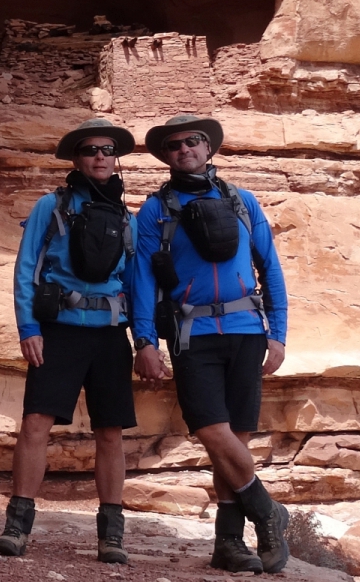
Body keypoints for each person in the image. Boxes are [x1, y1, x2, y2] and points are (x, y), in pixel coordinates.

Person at [130, 115, 291, 574]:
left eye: (193, 141)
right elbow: (140, 278)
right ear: (166, 156)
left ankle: (227, 544)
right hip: (190, 332)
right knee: (209, 429)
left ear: (208, 148)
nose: (184, 149)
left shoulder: (243, 201)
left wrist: (277, 334)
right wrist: (143, 339)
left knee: (233, 438)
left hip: (245, 329)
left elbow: (270, 268)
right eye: (174, 145)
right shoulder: (155, 210)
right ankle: (267, 510)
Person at [0, 118, 138, 564]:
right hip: (58, 331)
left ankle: (111, 537)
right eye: (91, 150)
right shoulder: (49, 206)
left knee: (110, 432)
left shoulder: (126, 216)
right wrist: (29, 328)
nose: (100, 156)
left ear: (116, 160)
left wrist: (147, 338)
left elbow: (135, 281)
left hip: (111, 336)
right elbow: (26, 268)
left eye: (107, 150)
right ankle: (16, 529)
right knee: (36, 424)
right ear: (76, 159)